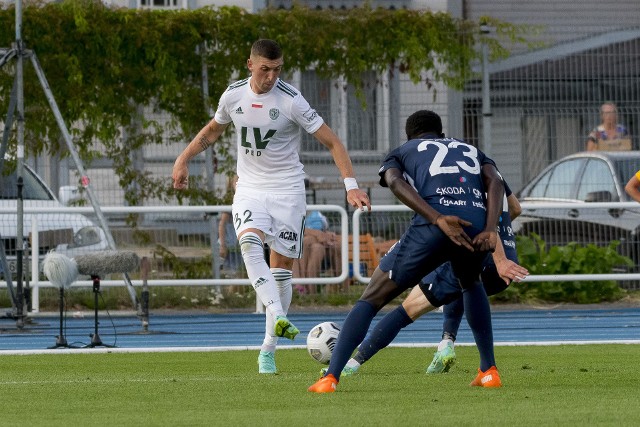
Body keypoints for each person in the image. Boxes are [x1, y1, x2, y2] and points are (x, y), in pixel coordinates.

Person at [172, 39, 370, 374]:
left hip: (288, 191)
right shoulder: (233, 95)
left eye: (277, 70)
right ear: (250, 65)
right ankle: (278, 315)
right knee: (248, 241)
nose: (271, 76)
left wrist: (351, 185)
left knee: (280, 273)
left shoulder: (292, 100)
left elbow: (333, 142)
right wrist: (183, 159)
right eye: (265, 69)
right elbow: (213, 130)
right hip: (249, 188)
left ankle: (268, 349)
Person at [308, 110, 505, 393]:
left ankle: (330, 377)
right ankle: (489, 370)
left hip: (434, 224)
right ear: (441, 132)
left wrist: (437, 218)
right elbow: (495, 182)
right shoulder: (471, 149)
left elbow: (395, 182)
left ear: (410, 135)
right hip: (475, 223)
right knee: (470, 282)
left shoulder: (403, 151)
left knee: (372, 298)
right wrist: (490, 228)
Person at [326, 187, 529, 378]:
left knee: (406, 310)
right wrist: (498, 232)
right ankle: (451, 345)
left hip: (486, 255)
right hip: (506, 268)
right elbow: (515, 208)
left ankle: (352, 364)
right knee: (463, 285)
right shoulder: (494, 173)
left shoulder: (464, 178)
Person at [292, 210, 343, 294]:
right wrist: (318, 234)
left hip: (321, 254)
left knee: (316, 247)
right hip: (301, 247)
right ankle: (307, 289)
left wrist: (322, 235)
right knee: (309, 244)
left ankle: (306, 289)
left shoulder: (313, 216)